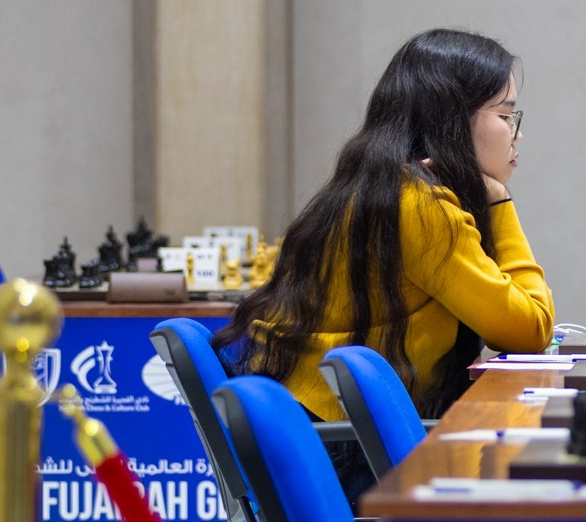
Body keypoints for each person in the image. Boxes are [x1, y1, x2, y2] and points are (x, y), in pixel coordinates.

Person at [224, 28, 554, 433]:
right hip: (356, 448)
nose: (517, 133)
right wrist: (499, 201)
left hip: (321, 425)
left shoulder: (380, 185)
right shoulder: (420, 205)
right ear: (452, 120)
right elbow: (531, 329)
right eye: (505, 115)